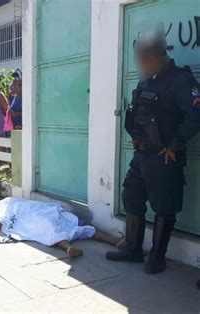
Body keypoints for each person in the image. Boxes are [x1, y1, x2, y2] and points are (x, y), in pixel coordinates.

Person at [105, 25, 200, 274]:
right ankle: (133, 249)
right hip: (143, 155)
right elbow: (139, 113)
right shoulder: (148, 81)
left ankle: (157, 257)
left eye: (141, 59)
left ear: (154, 57)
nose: (139, 64)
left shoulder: (181, 81)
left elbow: (195, 114)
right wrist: (136, 136)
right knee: (131, 196)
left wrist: (175, 144)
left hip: (164, 157)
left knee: (164, 206)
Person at [0, 198, 121, 257]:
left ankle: (67, 248)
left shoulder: (14, 206)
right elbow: (2, 221)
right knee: (77, 224)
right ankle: (116, 240)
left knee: (51, 230)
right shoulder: (13, 208)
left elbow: (2, 222)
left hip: (43, 213)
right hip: (45, 214)